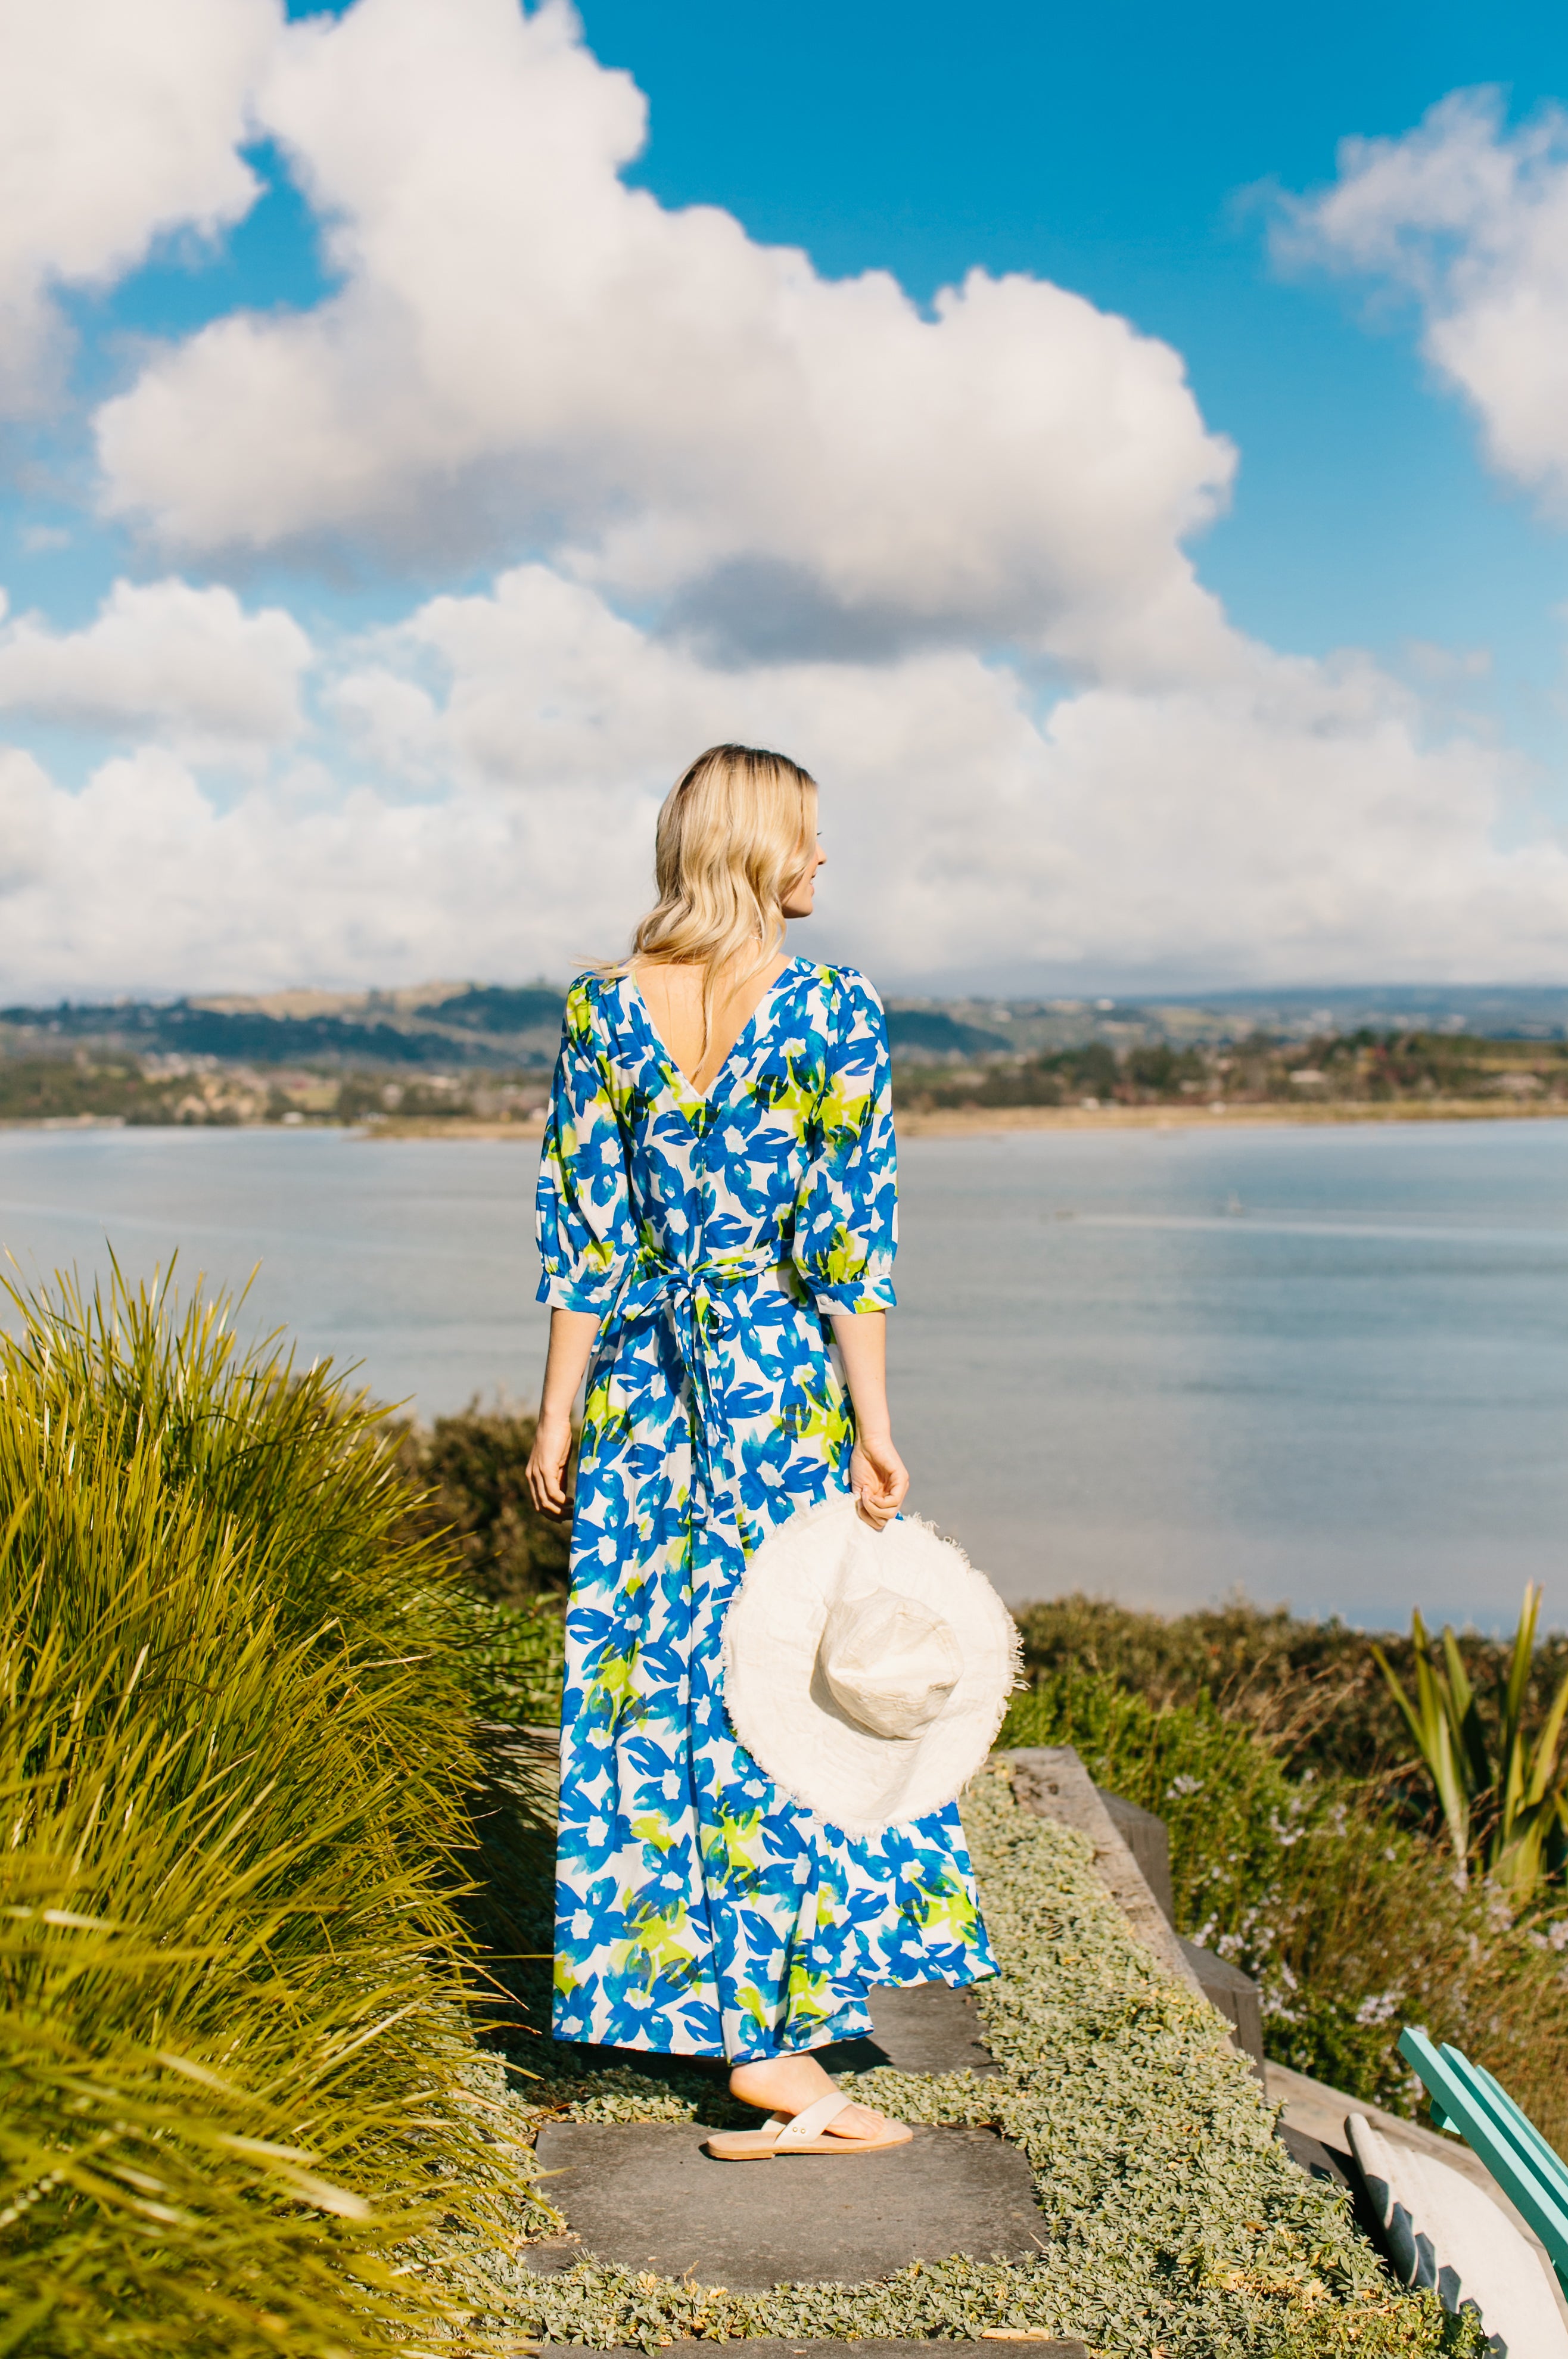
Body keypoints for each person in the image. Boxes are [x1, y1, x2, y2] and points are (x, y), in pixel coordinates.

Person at [526, 742, 995, 2153]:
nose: (824, 859)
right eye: (808, 835)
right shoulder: (838, 1012)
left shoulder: (602, 1012)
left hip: (642, 1407)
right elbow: (852, 1245)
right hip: (779, 1398)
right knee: (793, 1685)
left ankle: (723, 2014)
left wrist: (555, 1412)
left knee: (658, 1689)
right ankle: (775, 2051)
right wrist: (877, 1425)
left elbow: (582, 1238)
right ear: (755, 851)